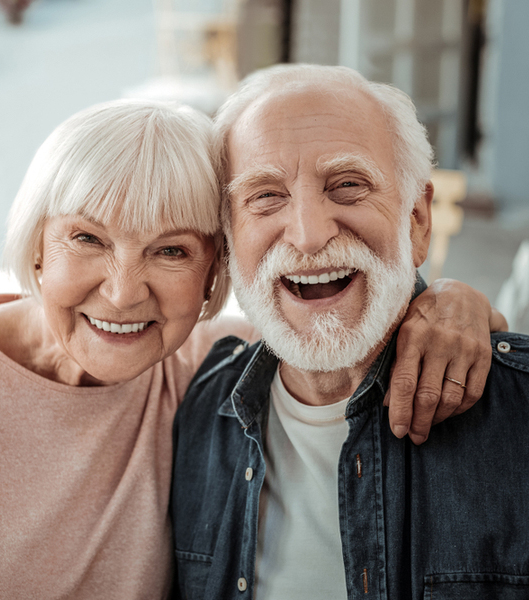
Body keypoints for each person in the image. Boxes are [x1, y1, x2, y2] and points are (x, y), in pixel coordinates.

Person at [0, 98, 502, 599]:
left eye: (171, 252)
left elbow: (341, 326)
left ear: (214, 274)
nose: (124, 292)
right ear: (36, 248)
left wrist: (450, 302)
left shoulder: (204, 368)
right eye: (87, 239)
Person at [170, 64, 529, 600]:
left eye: (347, 185)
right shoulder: (196, 405)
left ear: (417, 221)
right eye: (266, 196)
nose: (309, 235)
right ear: (227, 240)